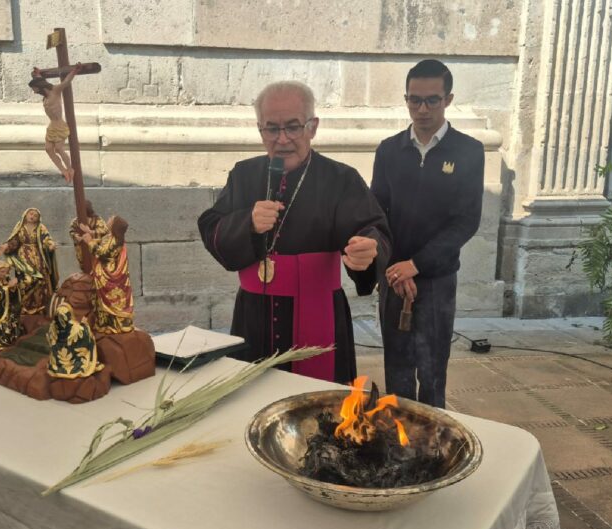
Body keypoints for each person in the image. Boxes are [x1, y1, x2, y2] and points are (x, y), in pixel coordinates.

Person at [198, 81, 390, 383]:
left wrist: (368, 249)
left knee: (317, 410)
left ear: (312, 127)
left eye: (293, 127)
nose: (283, 139)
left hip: (318, 314)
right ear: (260, 130)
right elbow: (211, 226)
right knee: (251, 402)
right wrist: (245, 222)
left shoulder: (341, 178)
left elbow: (373, 228)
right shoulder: (244, 174)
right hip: (254, 317)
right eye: (271, 129)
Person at [371, 59, 484, 408]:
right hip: (393, 278)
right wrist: (393, 268)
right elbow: (376, 216)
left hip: (436, 281)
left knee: (432, 370)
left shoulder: (468, 151)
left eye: (432, 100)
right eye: (414, 100)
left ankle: (432, 444)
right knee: (397, 367)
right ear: (406, 99)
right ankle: (399, 439)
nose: (422, 109)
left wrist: (416, 265)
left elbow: (465, 221)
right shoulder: (389, 150)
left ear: (448, 99)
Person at [0, 208, 59, 315]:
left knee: (41, 279)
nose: (32, 216)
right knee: (25, 280)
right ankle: (26, 305)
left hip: (37, 257)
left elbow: (46, 239)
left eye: (35, 215)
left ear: (38, 218)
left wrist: (50, 245)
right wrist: (6, 246)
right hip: (23, 258)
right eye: (31, 214)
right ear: (25, 214)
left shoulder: (41, 228)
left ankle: (41, 306)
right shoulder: (20, 227)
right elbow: (14, 241)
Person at [81, 215, 135, 334]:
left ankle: (118, 325)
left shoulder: (116, 241)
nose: (108, 219)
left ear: (115, 225)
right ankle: (104, 324)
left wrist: (89, 241)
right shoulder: (109, 236)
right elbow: (101, 239)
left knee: (112, 301)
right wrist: (89, 232)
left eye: (111, 219)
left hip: (110, 276)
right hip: (101, 274)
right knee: (99, 300)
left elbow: (103, 253)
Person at [29, 63, 81, 184]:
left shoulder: (55, 91)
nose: (34, 91)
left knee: (59, 149)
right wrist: (37, 74)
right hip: (52, 125)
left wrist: (75, 71)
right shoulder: (45, 97)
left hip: (59, 125)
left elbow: (66, 82)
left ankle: (70, 169)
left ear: (40, 87)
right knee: (48, 149)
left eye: (34, 88)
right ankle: (63, 170)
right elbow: (40, 80)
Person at [46, 300, 104, 378]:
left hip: (58, 363)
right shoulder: (78, 329)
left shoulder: (52, 329)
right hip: (75, 362)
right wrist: (85, 324)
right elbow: (88, 339)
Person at [69, 199, 108, 270]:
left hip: (95, 249)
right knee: (85, 267)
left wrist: (90, 232)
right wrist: (76, 236)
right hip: (82, 250)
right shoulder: (75, 221)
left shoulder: (97, 220)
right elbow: (72, 231)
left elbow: (104, 231)